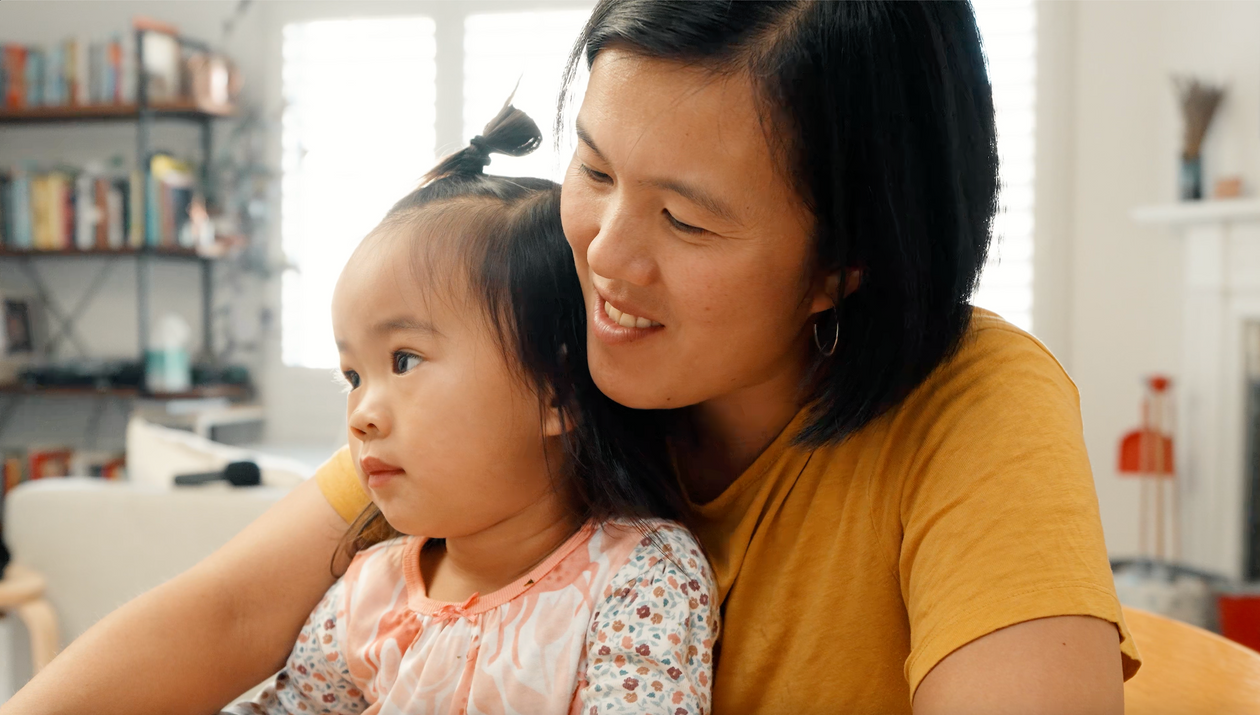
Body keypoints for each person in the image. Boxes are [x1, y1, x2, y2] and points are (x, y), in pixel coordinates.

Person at [2, 3, 1139, 714]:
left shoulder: (971, 407)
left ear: (844, 262)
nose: (603, 254)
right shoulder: (519, 367)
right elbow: (229, 618)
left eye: (687, 223)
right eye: (593, 171)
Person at [224, 104, 716, 715]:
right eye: (352, 375)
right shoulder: (366, 596)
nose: (360, 415)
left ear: (556, 389)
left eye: (404, 360)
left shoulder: (641, 579)